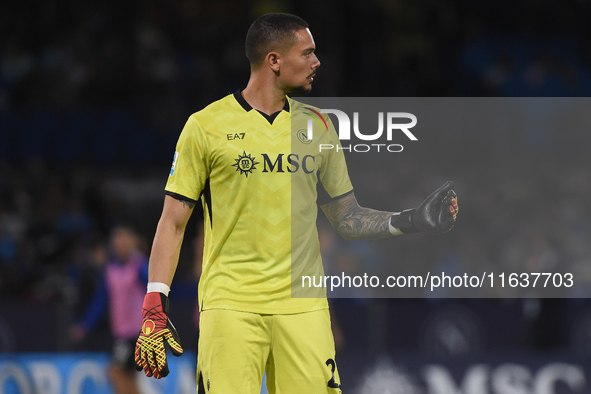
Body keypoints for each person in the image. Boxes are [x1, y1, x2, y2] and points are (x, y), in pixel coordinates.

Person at [134, 12, 459, 393]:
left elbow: (346, 217)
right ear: (274, 60)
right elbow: (173, 222)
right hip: (231, 306)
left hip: (304, 308)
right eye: (307, 53)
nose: (316, 63)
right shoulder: (205, 126)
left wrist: (411, 220)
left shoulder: (320, 126)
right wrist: (155, 299)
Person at [71, 225, 148, 394]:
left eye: (124, 237)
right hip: (121, 332)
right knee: (126, 375)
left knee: (115, 371)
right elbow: (101, 301)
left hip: (137, 332)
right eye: (117, 238)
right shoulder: (111, 270)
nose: (120, 242)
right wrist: (85, 324)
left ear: (132, 240)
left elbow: (153, 287)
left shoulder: (140, 266)